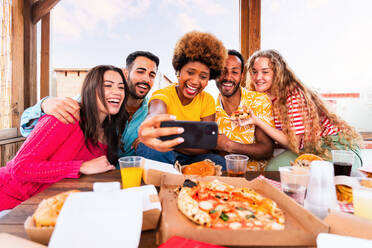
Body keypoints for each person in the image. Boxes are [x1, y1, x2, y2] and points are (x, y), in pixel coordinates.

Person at [0, 65, 128, 210]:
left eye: (121, 87)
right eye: (108, 85)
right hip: (10, 199)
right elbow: (20, 168)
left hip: (46, 206)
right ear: (90, 90)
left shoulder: (110, 132)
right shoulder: (65, 117)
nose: (117, 92)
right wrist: (81, 167)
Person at [20, 51, 159, 161]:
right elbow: (26, 128)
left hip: (121, 178)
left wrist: (149, 138)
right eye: (140, 71)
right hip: (82, 179)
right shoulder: (93, 101)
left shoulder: (149, 114)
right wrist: (44, 104)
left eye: (152, 75)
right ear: (126, 73)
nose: (146, 79)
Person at [244, 49, 363, 170]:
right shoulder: (264, 98)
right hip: (310, 148)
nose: (258, 77)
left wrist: (258, 121)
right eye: (254, 72)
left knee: (319, 173)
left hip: (336, 147)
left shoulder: (292, 96)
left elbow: (294, 142)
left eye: (265, 72)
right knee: (274, 168)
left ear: (277, 73)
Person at [136, 31, 227, 169]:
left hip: (193, 158)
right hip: (166, 153)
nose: (195, 81)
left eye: (203, 76)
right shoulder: (163, 94)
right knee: (148, 148)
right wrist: (149, 125)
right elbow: (156, 113)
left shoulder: (207, 100)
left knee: (219, 162)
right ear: (178, 71)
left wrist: (169, 139)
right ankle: (162, 185)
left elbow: (205, 146)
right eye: (190, 73)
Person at [214, 49, 274, 171]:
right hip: (222, 179)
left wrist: (229, 145)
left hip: (255, 178)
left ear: (242, 76)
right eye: (222, 71)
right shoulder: (209, 108)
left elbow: (266, 149)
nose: (228, 77)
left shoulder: (258, 100)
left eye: (234, 72)